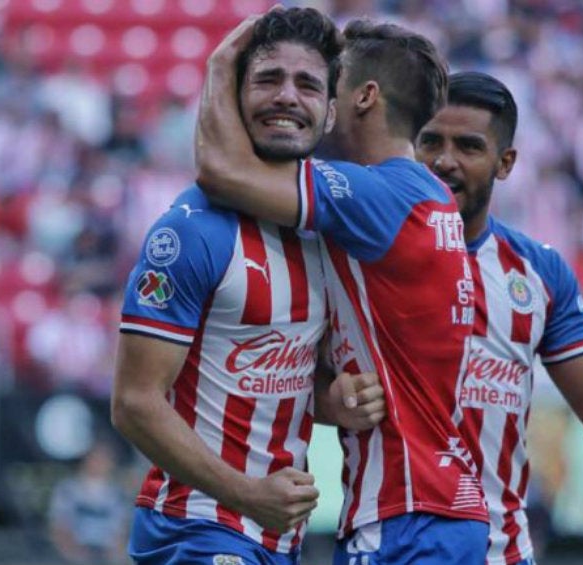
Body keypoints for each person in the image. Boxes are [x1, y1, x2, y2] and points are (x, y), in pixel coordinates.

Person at [196, 15, 489, 565]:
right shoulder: (425, 196)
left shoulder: (377, 194)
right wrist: (331, 396)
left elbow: (219, 171)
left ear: (364, 97)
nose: (319, 99)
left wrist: (219, 67)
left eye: (329, 83)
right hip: (439, 505)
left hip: (406, 513)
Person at [112, 8, 386, 565]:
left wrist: (331, 400)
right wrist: (243, 493)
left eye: (307, 84)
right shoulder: (192, 231)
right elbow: (134, 403)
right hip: (198, 529)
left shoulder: (325, 228)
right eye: (267, 79)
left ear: (331, 112)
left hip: (276, 538)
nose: (287, 96)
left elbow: (261, 369)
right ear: (233, 97)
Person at [414, 71, 583, 565]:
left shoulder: (538, 272)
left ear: (505, 163)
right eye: (430, 141)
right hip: (394, 544)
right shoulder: (370, 254)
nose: (444, 161)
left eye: (469, 147)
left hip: (501, 549)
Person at [47, 444, 129, 565]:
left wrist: (115, 554)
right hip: (74, 556)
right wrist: (72, 551)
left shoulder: (118, 494)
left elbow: (121, 529)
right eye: (95, 459)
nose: (98, 464)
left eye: (103, 460)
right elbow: (59, 525)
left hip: (107, 556)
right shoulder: (67, 490)